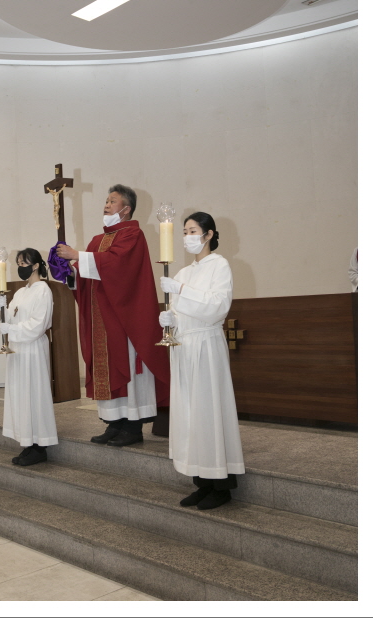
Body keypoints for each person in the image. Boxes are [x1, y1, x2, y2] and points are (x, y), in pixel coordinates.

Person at [56, 185, 170, 447]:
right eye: (106, 201)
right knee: (106, 370)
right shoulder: (97, 240)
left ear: (126, 209)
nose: (106, 205)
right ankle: (114, 423)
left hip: (124, 317)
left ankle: (133, 427)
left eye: (113, 201)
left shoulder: (133, 234)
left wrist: (77, 256)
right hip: (100, 319)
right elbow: (87, 277)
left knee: (126, 366)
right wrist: (69, 272)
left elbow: (119, 266)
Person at [159, 212, 245, 510]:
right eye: (184, 232)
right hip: (184, 348)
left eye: (193, 231)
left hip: (206, 345)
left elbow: (217, 307)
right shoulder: (183, 272)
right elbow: (181, 312)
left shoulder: (219, 265)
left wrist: (181, 291)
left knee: (209, 412)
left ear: (208, 235)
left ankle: (221, 485)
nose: (187, 237)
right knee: (190, 415)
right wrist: (170, 320)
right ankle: (201, 481)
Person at [0, 248, 58, 466]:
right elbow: (8, 320)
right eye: (18, 264)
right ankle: (28, 442)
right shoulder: (21, 292)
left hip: (32, 349)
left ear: (35, 266)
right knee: (21, 395)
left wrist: (11, 330)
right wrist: (1, 310)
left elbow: (38, 325)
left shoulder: (43, 290)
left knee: (34, 394)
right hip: (17, 351)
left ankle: (40, 447)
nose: (20, 267)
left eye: (23, 263)